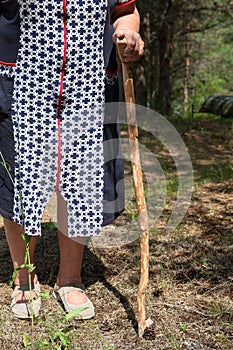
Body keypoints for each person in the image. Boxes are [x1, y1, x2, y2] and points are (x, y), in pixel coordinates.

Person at [0, 0, 144, 319]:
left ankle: (70, 278)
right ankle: (24, 275)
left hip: (88, 82)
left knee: (81, 177)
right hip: (21, 76)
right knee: (23, 176)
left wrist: (127, 32)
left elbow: (124, 10)